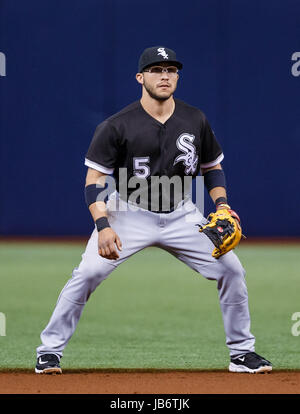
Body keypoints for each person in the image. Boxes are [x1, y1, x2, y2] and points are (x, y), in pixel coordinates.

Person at [35, 46, 272, 374]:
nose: (165, 76)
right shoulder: (117, 125)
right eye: (157, 70)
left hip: (182, 214)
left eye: (171, 70)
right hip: (128, 212)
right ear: (140, 77)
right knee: (88, 273)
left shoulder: (194, 119)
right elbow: (94, 180)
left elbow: (212, 167)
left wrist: (222, 205)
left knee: (232, 270)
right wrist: (103, 225)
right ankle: (49, 351)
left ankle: (242, 353)